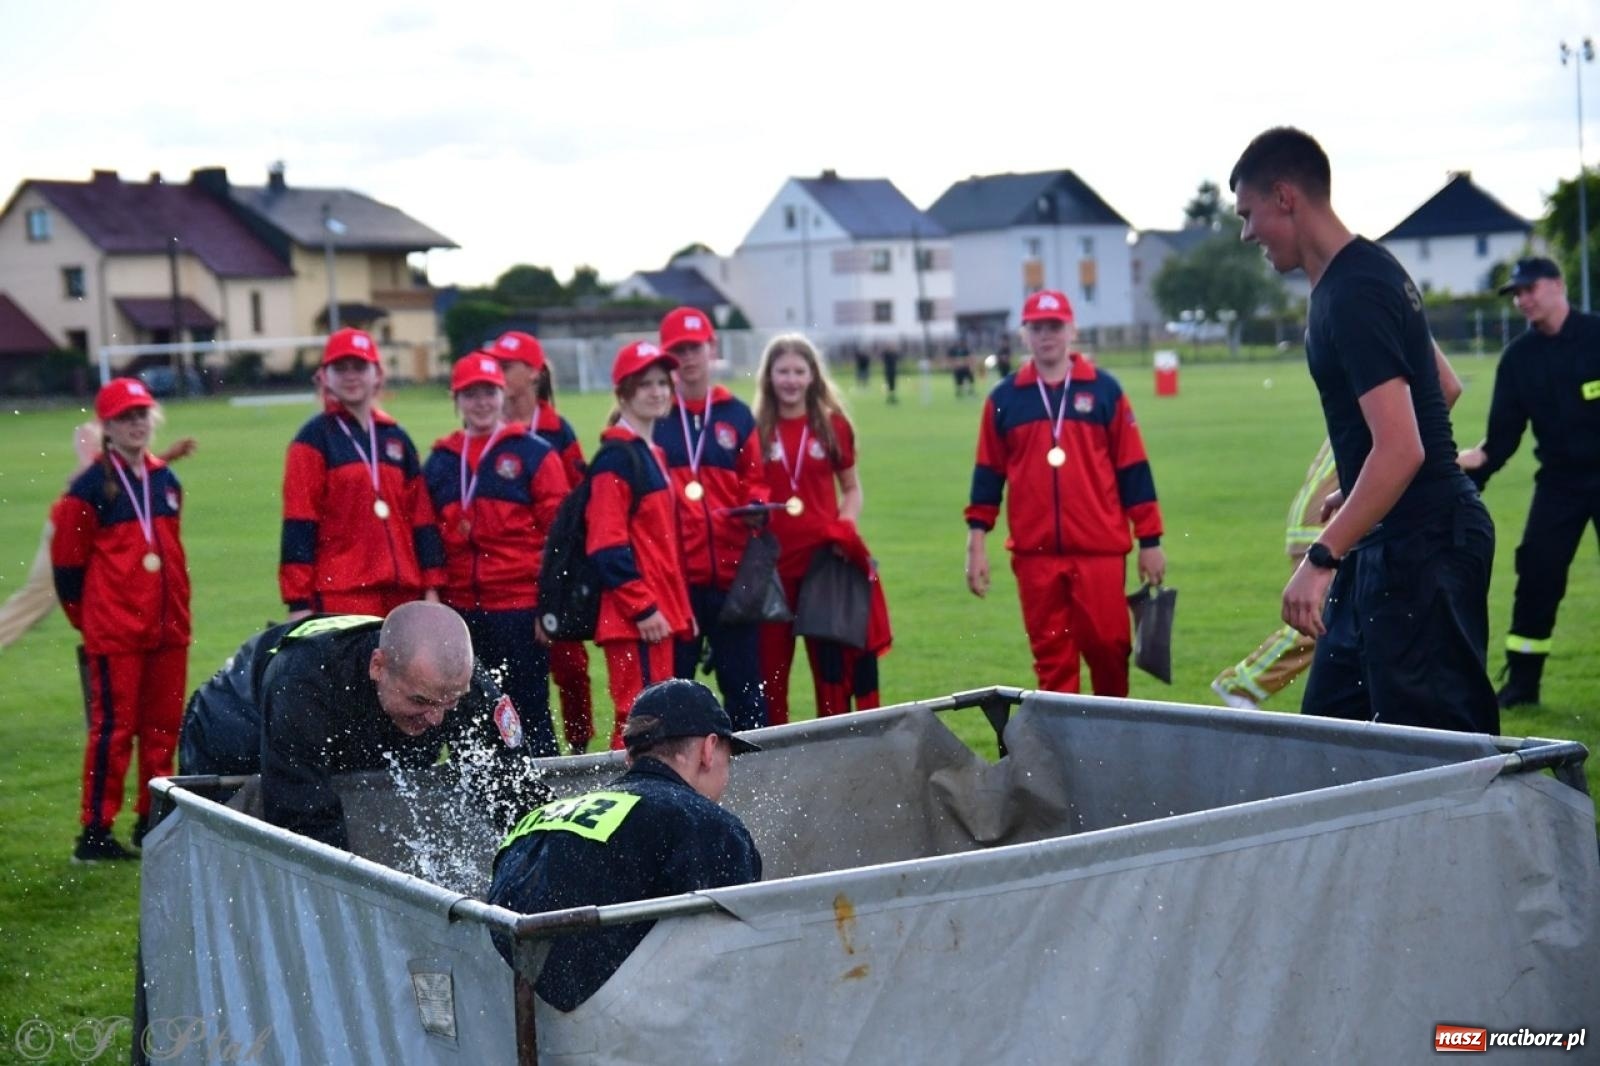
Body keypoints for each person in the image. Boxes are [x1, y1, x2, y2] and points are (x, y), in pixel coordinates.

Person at [1229, 126, 1497, 734]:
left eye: (1249, 214)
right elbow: (1442, 388)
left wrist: (1322, 556)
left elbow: (1403, 446)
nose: (1247, 233)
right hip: (1387, 543)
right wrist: (1358, 490)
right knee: (1330, 740)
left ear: (1285, 196)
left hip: (1423, 550)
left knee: (1435, 758)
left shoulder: (1356, 290)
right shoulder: (1363, 272)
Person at [486, 679, 762, 1011]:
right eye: (728, 759)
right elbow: (731, 967)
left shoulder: (542, 816)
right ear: (708, 749)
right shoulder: (706, 825)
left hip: (507, 1024)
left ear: (631, 756)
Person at [178, 604, 546, 850]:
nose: (436, 718)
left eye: (448, 704)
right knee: (236, 862)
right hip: (232, 726)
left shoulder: (464, 685)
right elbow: (305, 828)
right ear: (378, 667)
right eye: (420, 701)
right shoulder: (304, 683)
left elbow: (514, 789)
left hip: (346, 724)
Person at [965, 290, 1166, 696]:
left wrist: (1150, 540)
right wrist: (976, 544)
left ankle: (1111, 744)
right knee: (1052, 661)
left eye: (1054, 326)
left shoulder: (1105, 390)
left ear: (1072, 329)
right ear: (1024, 334)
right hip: (1035, 555)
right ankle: (1063, 755)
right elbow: (987, 476)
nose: (1046, 336)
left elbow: (1134, 469)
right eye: (1036, 327)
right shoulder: (1005, 399)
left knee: (1110, 648)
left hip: (1100, 551)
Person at [51, 378, 192, 861]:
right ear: (106, 427)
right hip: (117, 633)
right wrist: (94, 621)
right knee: (113, 732)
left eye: (140, 415)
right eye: (123, 418)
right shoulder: (88, 488)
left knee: (162, 731)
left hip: (168, 628)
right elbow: (67, 570)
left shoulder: (165, 480)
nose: (134, 425)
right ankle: (94, 833)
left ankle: (150, 821)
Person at [1458, 256, 1600, 708]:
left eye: (1529, 289)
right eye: (1515, 294)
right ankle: (1522, 684)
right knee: (1537, 573)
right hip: (1560, 483)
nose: (1522, 300)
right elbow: (1500, 439)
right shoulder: (1518, 358)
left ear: (1558, 285)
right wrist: (1459, 476)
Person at [423, 354, 568, 756]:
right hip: (461, 611)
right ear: (457, 400)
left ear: (502, 395)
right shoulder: (441, 460)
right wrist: (434, 593)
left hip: (519, 608)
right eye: (471, 394)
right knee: (467, 713)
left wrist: (549, 605)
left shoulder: (533, 453)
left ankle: (543, 792)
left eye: (489, 392)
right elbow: (427, 533)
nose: (481, 402)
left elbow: (559, 540)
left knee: (528, 709)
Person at [651, 307, 771, 730]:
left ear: (711, 348)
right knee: (676, 694)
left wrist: (756, 504)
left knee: (745, 689)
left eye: (694, 347)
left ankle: (755, 780)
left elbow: (756, 478)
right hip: (676, 581)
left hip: (733, 576)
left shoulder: (736, 414)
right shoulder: (654, 413)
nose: (687, 357)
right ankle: (677, 787)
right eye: (678, 350)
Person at [755, 334, 885, 721]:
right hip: (772, 570)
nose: (791, 380)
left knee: (830, 670)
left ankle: (834, 747)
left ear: (813, 376)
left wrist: (844, 526)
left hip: (822, 566)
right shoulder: (757, 427)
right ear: (769, 376)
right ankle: (773, 753)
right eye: (783, 371)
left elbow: (852, 489)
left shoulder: (832, 426)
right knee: (770, 672)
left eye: (799, 371)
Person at [280, 328, 443, 619]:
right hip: (343, 593)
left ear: (377, 374)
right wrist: (298, 603)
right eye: (340, 369)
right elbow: (299, 521)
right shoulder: (312, 440)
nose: (351, 376)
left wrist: (431, 585)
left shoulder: (396, 438)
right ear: (325, 376)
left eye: (359, 367)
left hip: (403, 594)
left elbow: (421, 517)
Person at [0, 422, 194, 655]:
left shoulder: (120, 433)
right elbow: (96, 478)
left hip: (99, 528)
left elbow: (132, 476)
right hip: (73, 528)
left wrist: (167, 456)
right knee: (40, 596)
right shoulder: (91, 431)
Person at [491, 330, 596, 754]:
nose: (496, 375)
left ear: (533, 373)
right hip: (508, 578)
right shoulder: (484, 425)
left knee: (570, 664)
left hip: (557, 570)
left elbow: (577, 500)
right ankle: (513, 751)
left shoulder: (557, 429)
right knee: (508, 675)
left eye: (506, 366)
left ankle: (578, 749)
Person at [588, 341, 694, 748]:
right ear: (623, 393)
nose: (657, 392)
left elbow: (662, 546)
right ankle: (630, 807)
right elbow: (606, 545)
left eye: (662, 383)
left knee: (656, 723)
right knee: (639, 723)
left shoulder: (651, 452)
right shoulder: (616, 457)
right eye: (644, 384)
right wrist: (643, 607)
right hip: (636, 619)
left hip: (657, 615)